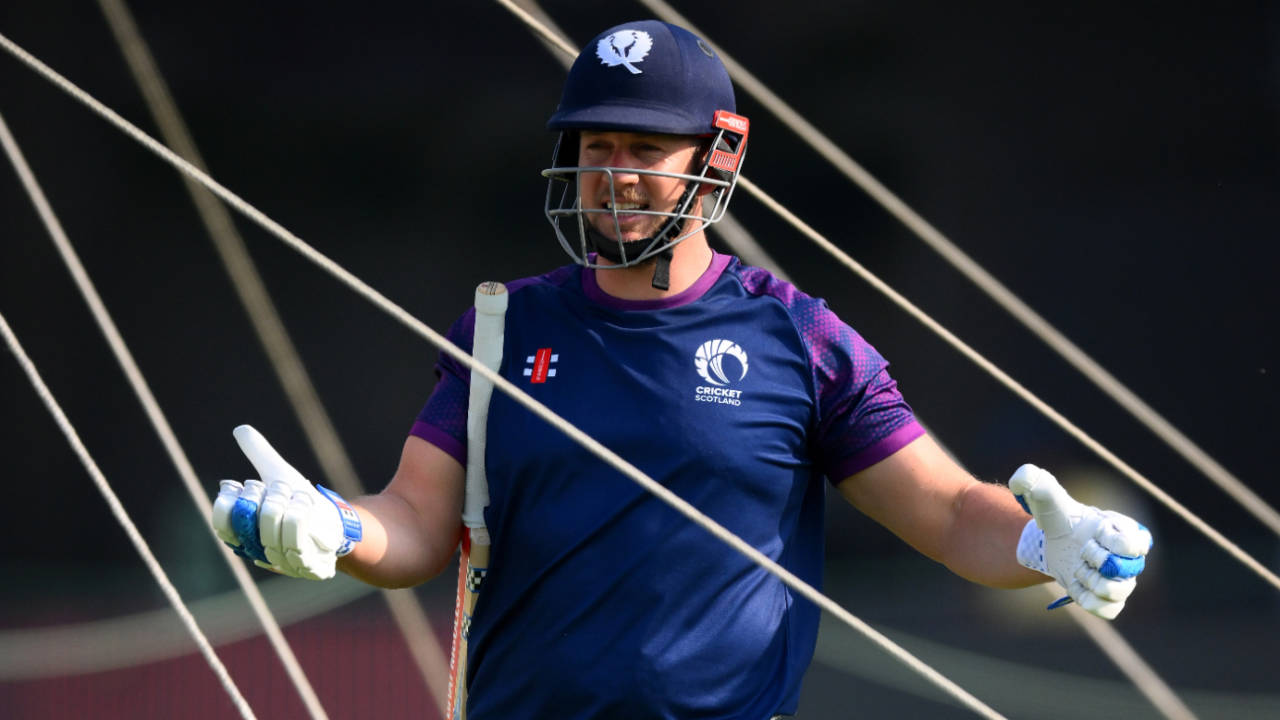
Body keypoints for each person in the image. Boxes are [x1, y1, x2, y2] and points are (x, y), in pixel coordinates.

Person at [211, 19, 1152, 719]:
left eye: (645, 148)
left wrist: (1042, 547)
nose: (613, 172)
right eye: (595, 146)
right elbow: (415, 522)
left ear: (719, 154)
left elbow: (947, 512)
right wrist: (334, 528)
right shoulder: (503, 327)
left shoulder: (801, 339)